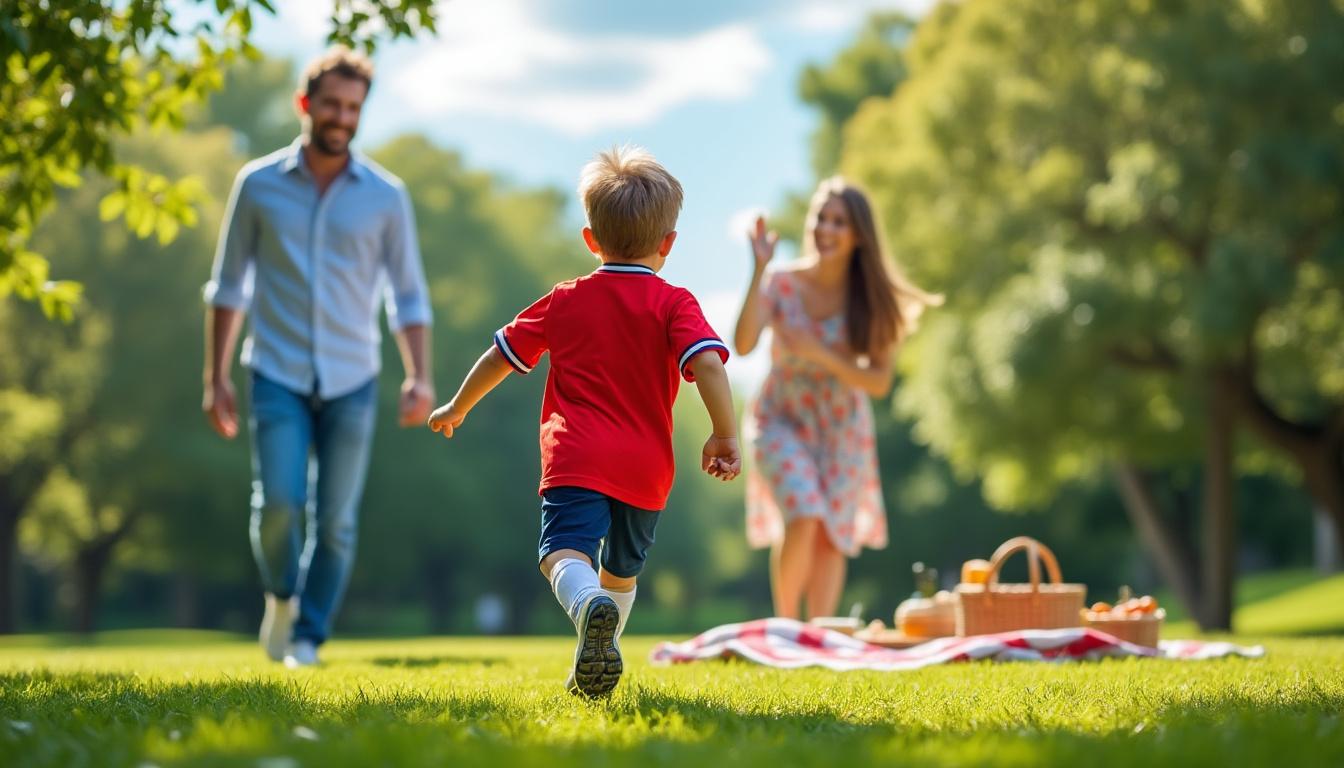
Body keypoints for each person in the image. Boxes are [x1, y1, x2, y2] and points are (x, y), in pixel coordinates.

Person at [427, 145, 739, 697]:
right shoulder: (674, 302)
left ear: (590, 239)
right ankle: (590, 663)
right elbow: (709, 363)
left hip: (576, 457)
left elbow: (502, 354)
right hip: (646, 468)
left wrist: (459, 405)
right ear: (667, 244)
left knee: (563, 556)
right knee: (621, 573)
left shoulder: (566, 299)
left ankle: (584, 602)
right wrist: (724, 433)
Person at [201, 47, 435, 668]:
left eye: (353, 107)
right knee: (277, 505)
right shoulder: (257, 184)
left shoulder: (386, 196)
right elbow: (228, 287)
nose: (341, 116)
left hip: (353, 377)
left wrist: (420, 376)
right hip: (274, 370)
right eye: (331, 103)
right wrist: (215, 378)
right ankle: (281, 596)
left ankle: (307, 637)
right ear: (306, 104)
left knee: (336, 523)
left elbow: (408, 294)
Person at [733, 177, 940, 621]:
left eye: (839, 222)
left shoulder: (870, 298)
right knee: (805, 513)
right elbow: (744, 343)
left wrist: (818, 353)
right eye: (820, 217)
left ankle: (818, 635)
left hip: (842, 427)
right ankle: (786, 630)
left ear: (859, 235)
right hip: (780, 419)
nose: (825, 229)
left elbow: (880, 381)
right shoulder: (782, 282)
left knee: (831, 535)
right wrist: (757, 271)